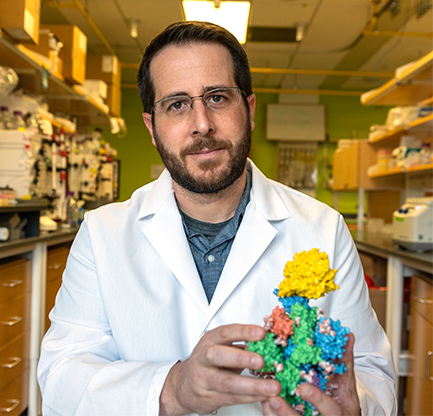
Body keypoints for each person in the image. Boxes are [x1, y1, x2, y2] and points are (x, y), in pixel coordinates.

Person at [38, 21, 396, 416]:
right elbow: (60, 377)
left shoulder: (322, 229)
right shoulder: (103, 234)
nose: (202, 124)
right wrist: (171, 390)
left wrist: (356, 407)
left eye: (218, 97)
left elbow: (370, 370)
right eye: (176, 104)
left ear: (250, 109)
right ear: (152, 129)